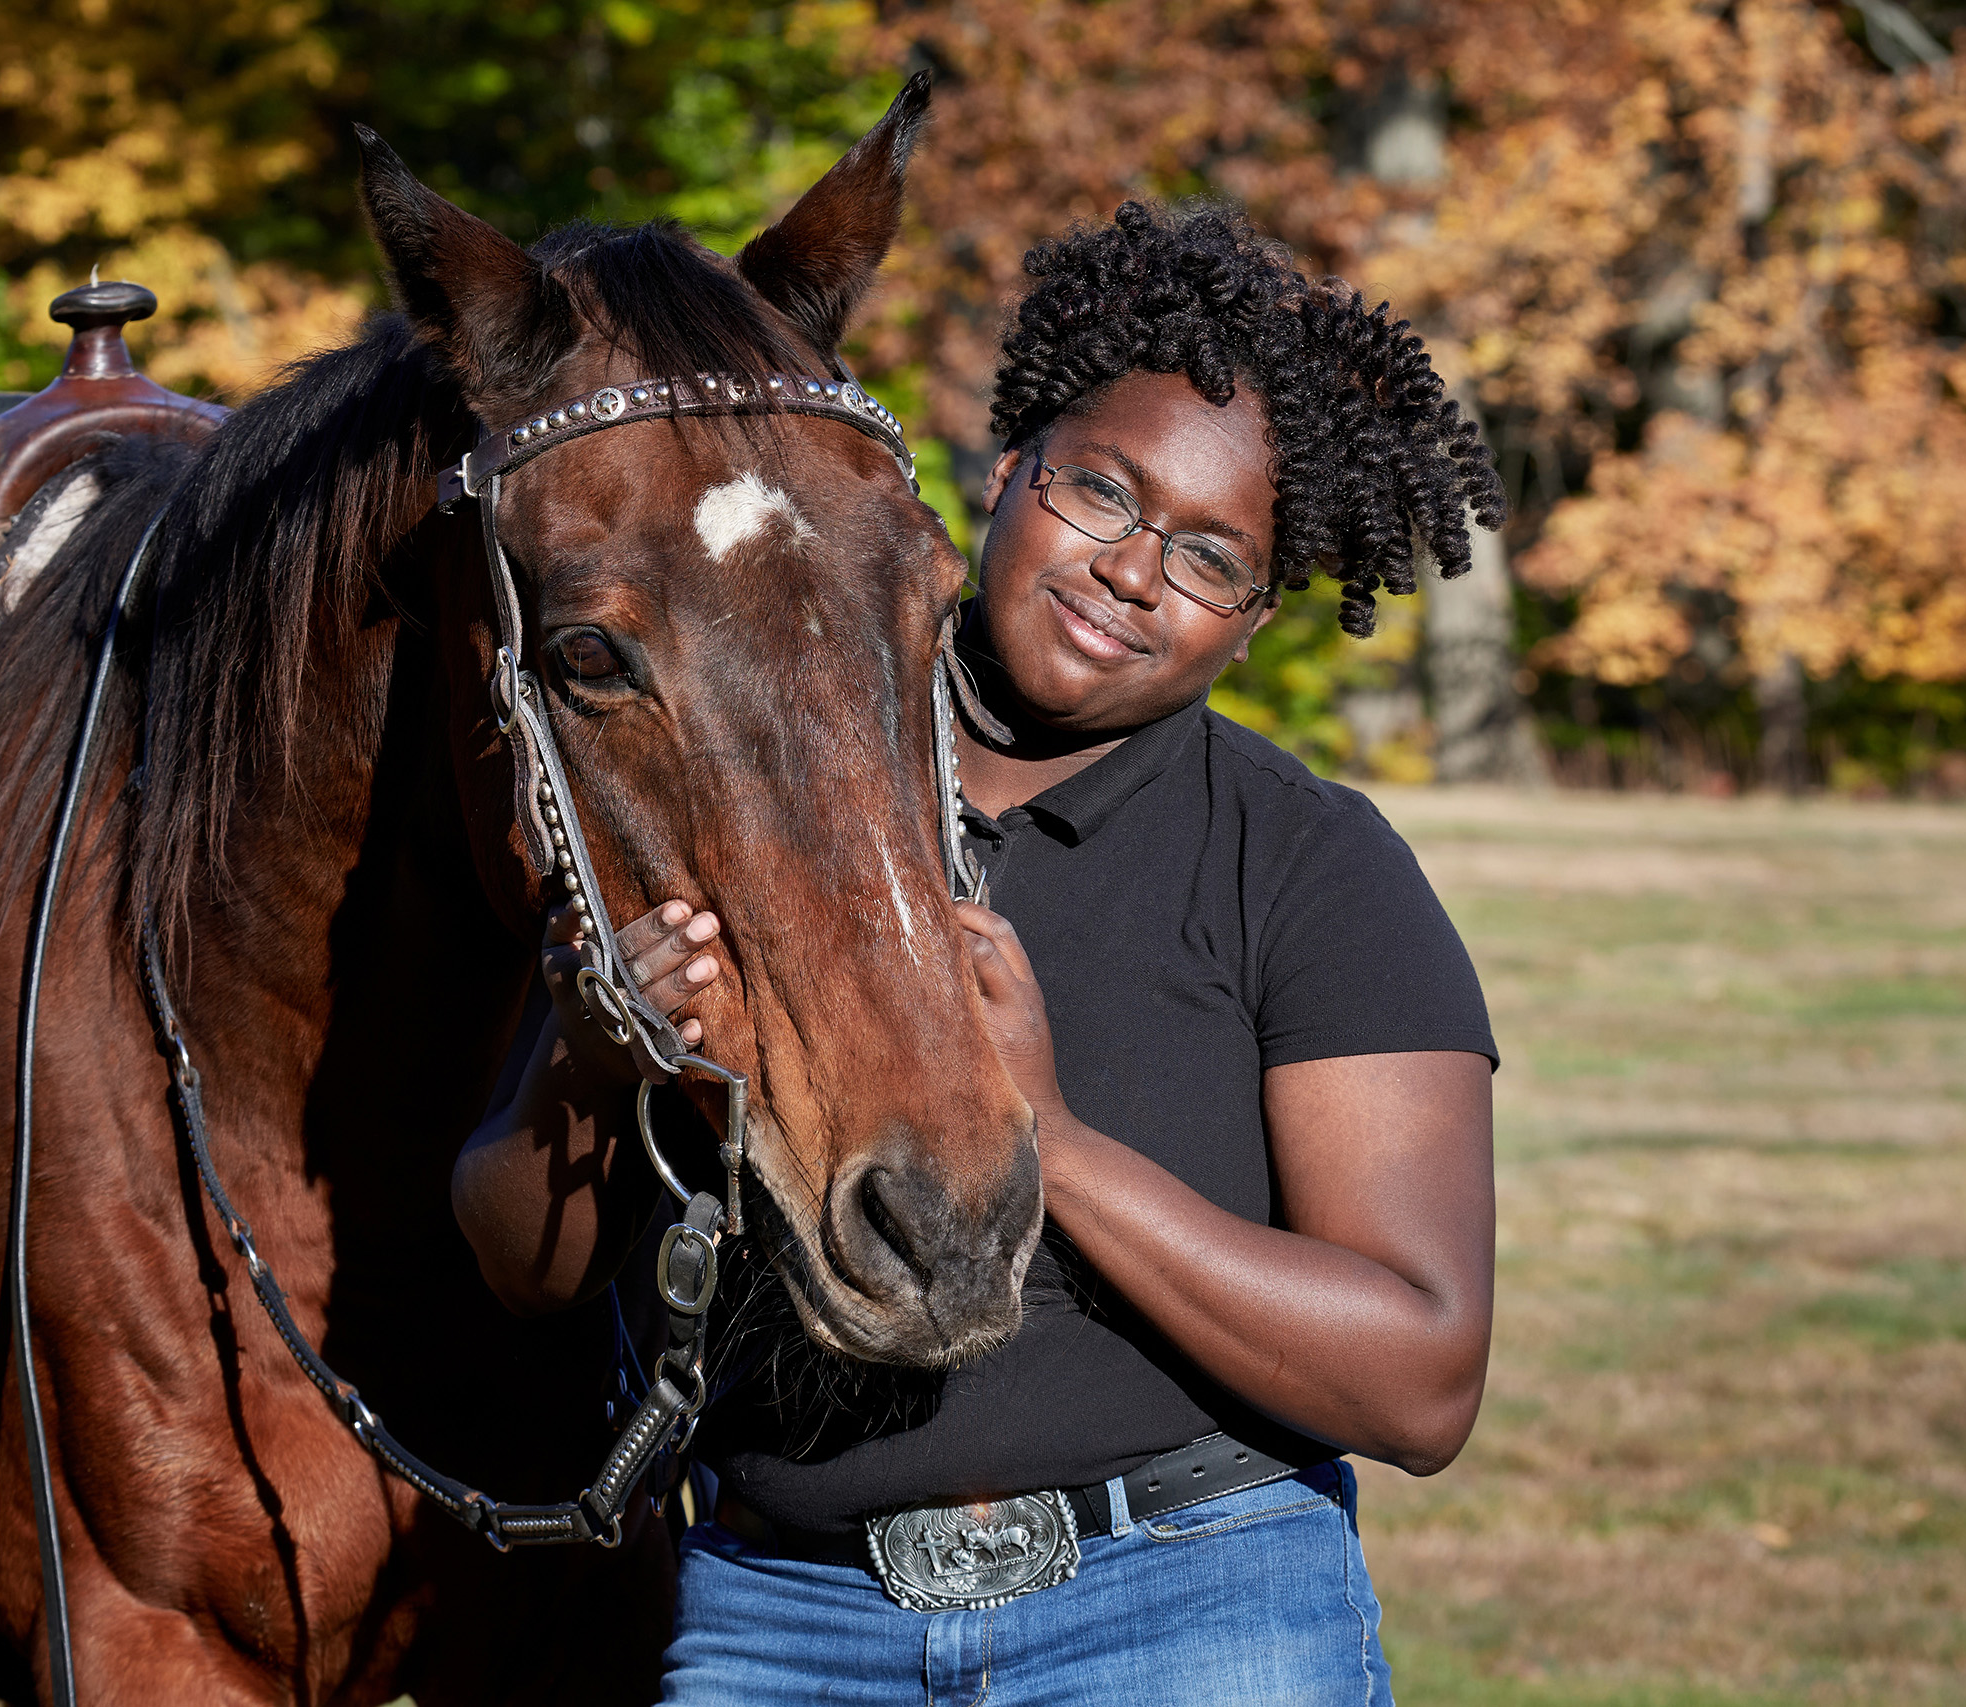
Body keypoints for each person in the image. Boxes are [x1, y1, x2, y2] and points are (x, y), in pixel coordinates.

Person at [453, 200, 1504, 1706]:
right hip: (784, 1619)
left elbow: (1421, 1378)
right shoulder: (725, 764)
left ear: (1257, 621)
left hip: (1192, 1604)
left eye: (1210, 558)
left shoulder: (1308, 867)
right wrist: (592, 1045)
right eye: (1102, 492)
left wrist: (1056, 1144)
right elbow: (520, 1269)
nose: (1135, 570)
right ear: (1004, 474)